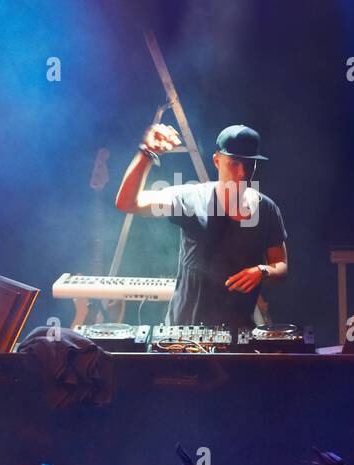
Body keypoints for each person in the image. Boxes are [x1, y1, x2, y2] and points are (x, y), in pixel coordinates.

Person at [114, 122, 288, 328]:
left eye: (249, 164)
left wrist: (262, 271)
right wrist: (146, 153)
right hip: (185, 332)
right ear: (217, 161)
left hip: (239, 332)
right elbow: (127, 203)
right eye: (234, 163)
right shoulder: (191, 199)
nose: (242, 172)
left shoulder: (266, 209)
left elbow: (281, 265)